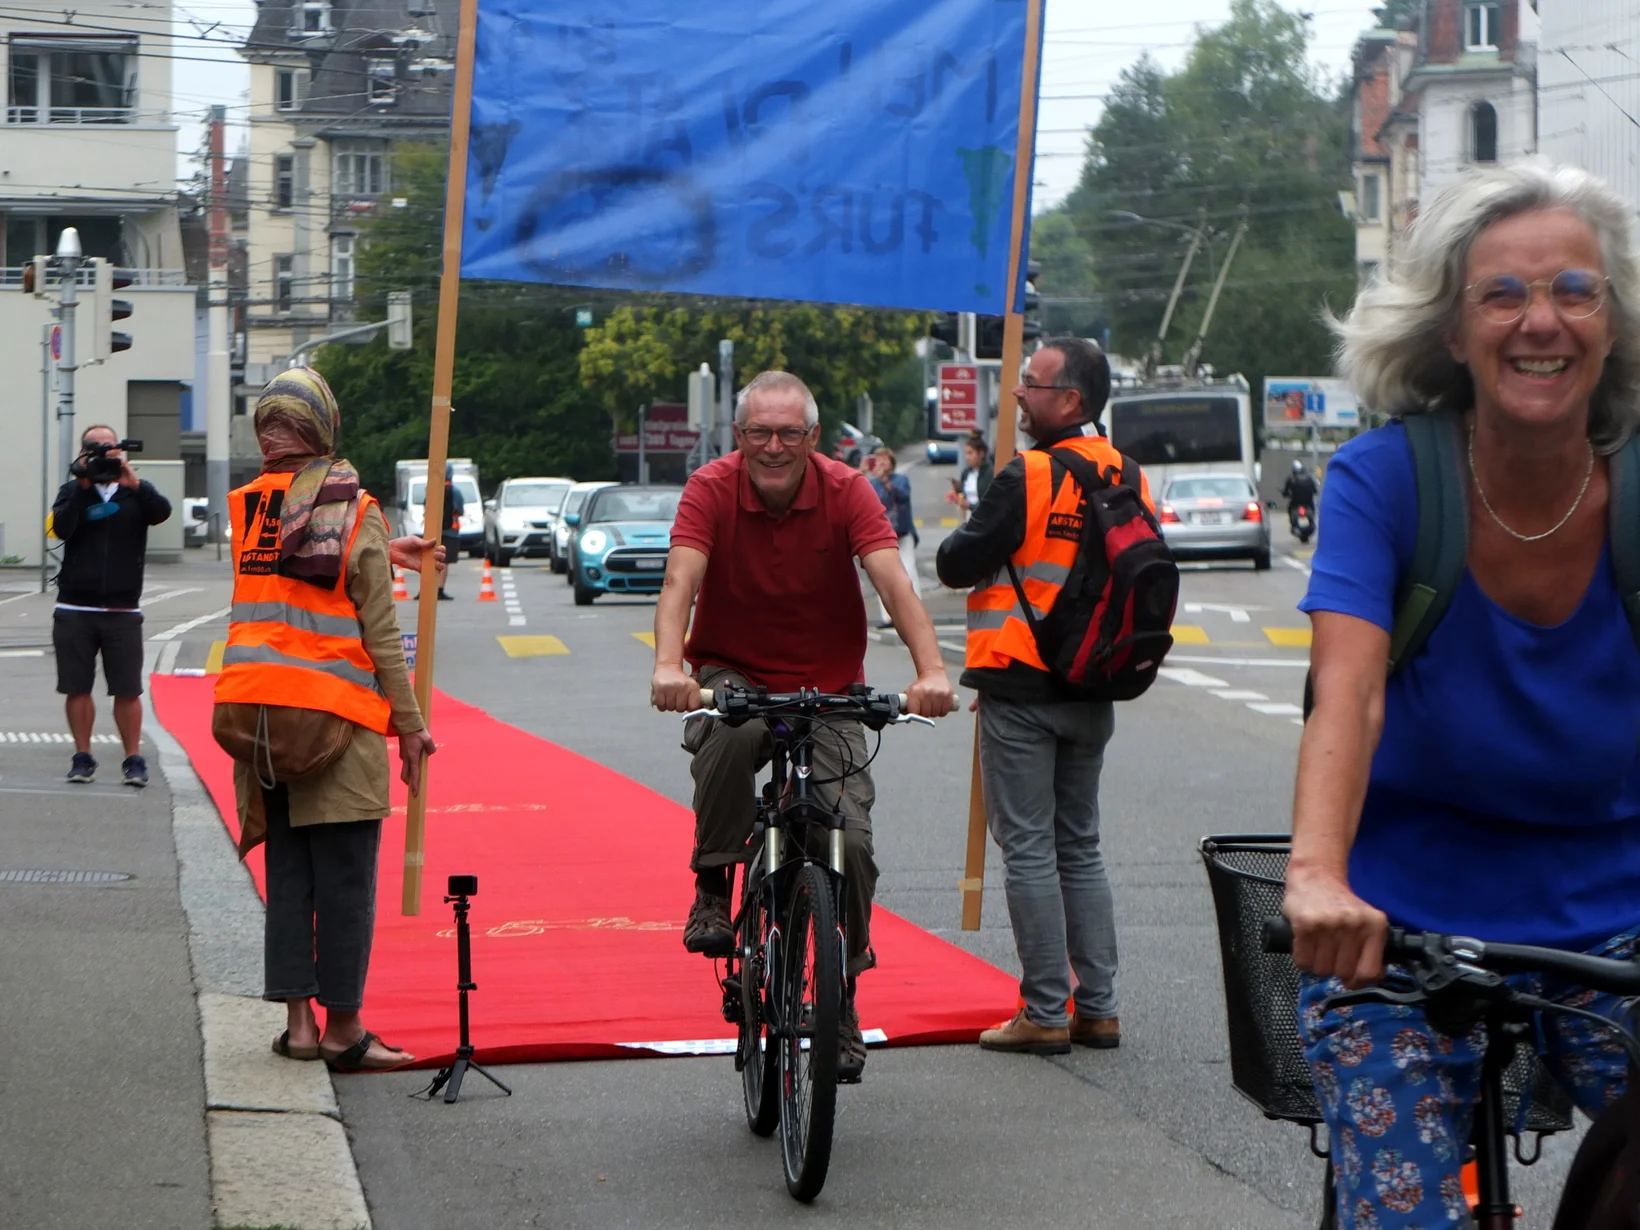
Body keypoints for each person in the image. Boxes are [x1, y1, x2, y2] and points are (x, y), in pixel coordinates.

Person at [1285, 161, 1640, 1228]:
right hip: (1395, 927)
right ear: (1450, 331)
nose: (1542, 321)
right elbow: (1345, 696)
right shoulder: (1383, 481)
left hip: (1614, 923)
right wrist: (1315, 879)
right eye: (1502, 294)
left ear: (1610, 321)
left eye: (1573, 290)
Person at [650, 370, 958, 1082]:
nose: (774, 446)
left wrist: (931, 672)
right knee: (725, 740)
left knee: (847, 835)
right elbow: (679, 583)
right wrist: (672, 665)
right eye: (760, 432)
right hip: (735, 675)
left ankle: (841, 995)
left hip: (828, 687)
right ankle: (713, 884)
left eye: (790, 433)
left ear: (814, 438)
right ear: (739, 436)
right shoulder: (710, 489)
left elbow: (893, 582)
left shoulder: (849, 490)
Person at [216, 367, 438, 1073]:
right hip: (335, 722)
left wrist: (381, 546)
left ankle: (299, 1026)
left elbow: (295, 570)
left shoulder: (247, 504)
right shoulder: (354, 503)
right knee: (343, 879)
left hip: (257, 720)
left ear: (269, 428)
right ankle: (344, 1029)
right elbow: (378, 632)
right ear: (323, 426)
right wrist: (410, 727)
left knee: (289, 875)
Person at [936, 337, 1148, 1056]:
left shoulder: (1026, 474)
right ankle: (1100, 1008)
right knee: (1079, 846)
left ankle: (1045, 1012)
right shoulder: (1129, 473)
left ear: (1072, 401)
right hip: (1096, 683)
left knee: (1026, 848)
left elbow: (955, 562)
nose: (1019, 396)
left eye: (1032, 385)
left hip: (1022, 686)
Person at [51, 425, 172, 787]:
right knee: (77, 686)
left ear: (121, 450)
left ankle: (133, 759)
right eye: (95, 448)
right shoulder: (73, 490)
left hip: (122, 609)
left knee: (127, 688)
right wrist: (84, 487)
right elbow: (60, 528)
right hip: (75, 607)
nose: (103, 453)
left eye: (109, 447)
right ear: (84, 452)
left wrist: (135, 482)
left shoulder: (136, 492)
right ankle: (82, 756)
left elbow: (162, 512)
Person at [868, 446, 920, 628]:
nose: (881, 463)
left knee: (909, 571)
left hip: (903, 532)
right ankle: (888, 617)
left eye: (885, 460)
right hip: (883, 536)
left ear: (892, 463)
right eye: (878, 459)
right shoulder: (872, 484)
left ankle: (914, 614)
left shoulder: (901, 479)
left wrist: (886, 482)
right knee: (884, 576)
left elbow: (903, 495)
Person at [436, 461, 465, 601]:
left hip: (433, 530)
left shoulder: (432, 489)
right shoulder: (455, 491)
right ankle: (439, 590)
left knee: (431, 558)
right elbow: (460, 510)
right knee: (444, 560)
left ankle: (427, 588)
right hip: (450, 530)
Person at [954, 432, 993, 522]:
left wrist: (970, 506)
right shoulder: (966, 473)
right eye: (966, 454)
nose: (967, 457)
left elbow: (989, 502)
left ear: (981, 454)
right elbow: (963, 493)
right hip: (969, 520)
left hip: (985, 521)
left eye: (970, 453)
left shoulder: (990, 473)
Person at [1280, 460, 1319, 532]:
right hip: (1308, 504)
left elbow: (1286, 492)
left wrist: (1285, 494)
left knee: (1290, 508)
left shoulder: (1291, 479)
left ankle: (1294, 524)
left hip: (1296, 504)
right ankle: (1311, 521)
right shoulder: (1309, 478)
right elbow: (1315, 491)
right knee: (1312, 507)